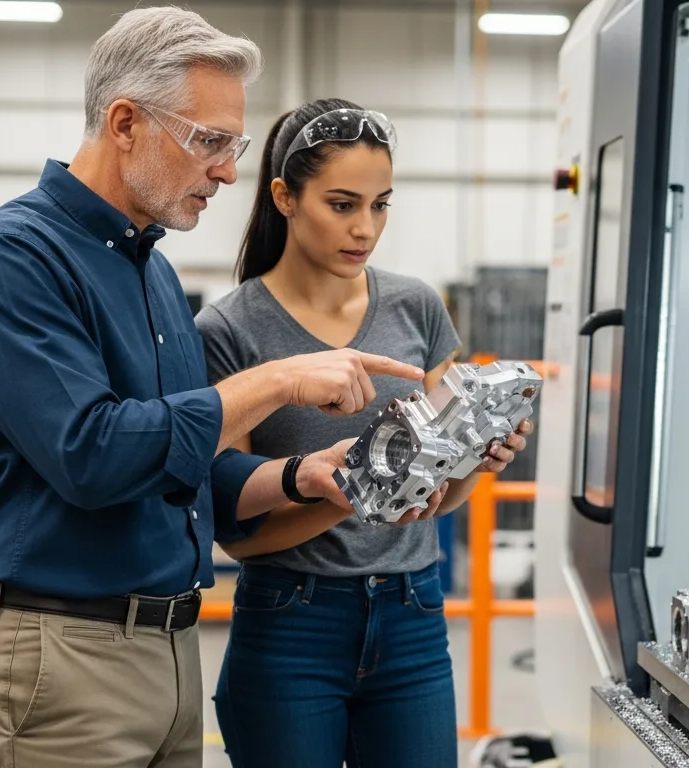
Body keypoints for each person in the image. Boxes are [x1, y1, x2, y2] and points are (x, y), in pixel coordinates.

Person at [0, 13, 434, 767]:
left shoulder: (152, 270)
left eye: (232, 146)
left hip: (167, 651)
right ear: (126, 122)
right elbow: (94, 453)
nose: (228, 172)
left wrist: (307, 476)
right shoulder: (14, 258)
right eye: (209, 142)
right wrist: (272, 383)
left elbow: (185, 471)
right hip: (60, 654)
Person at [196, 98, 534, 767]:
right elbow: (234, 528)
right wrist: (351, 495)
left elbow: (434, 496)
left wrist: (475, 459)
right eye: (343, 204)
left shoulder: (416, 306)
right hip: (291, 618)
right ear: (284, 197)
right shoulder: (230, 330)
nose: (365, 228)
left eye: (381, 205)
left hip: (412, 613)